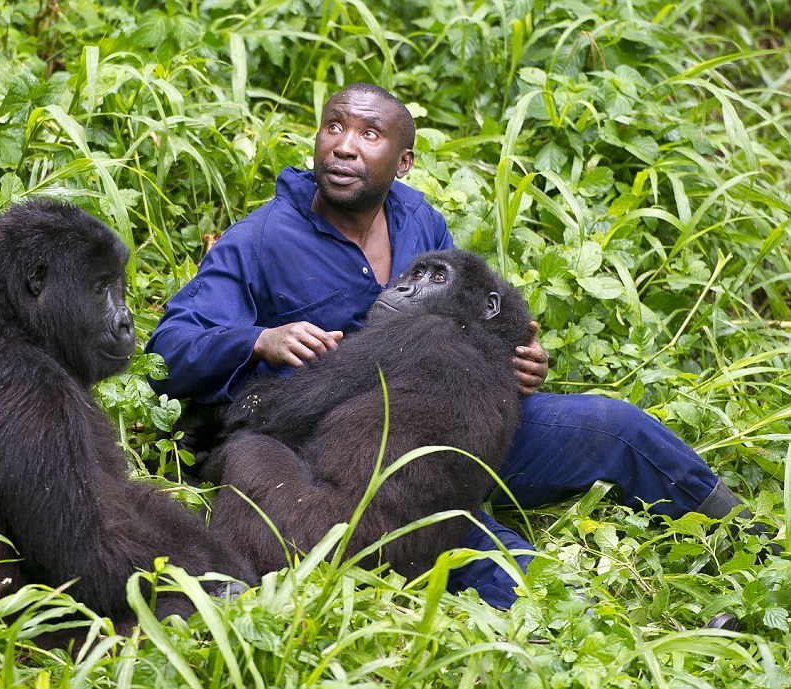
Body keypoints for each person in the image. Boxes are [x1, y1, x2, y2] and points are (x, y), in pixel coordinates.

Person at [147, 82, 751, 608]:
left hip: (456, 426)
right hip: (347, 451)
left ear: (402, 161)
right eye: (334, 126)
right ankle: (571, 620)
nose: (344, 145)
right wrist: (259, 339)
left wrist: (516, 359)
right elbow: (168, 349)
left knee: (613, 426)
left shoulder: (417, 220)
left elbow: (470, 316)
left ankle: (751, 543)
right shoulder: (259, 242)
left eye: (369, 134)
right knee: (458, 527)